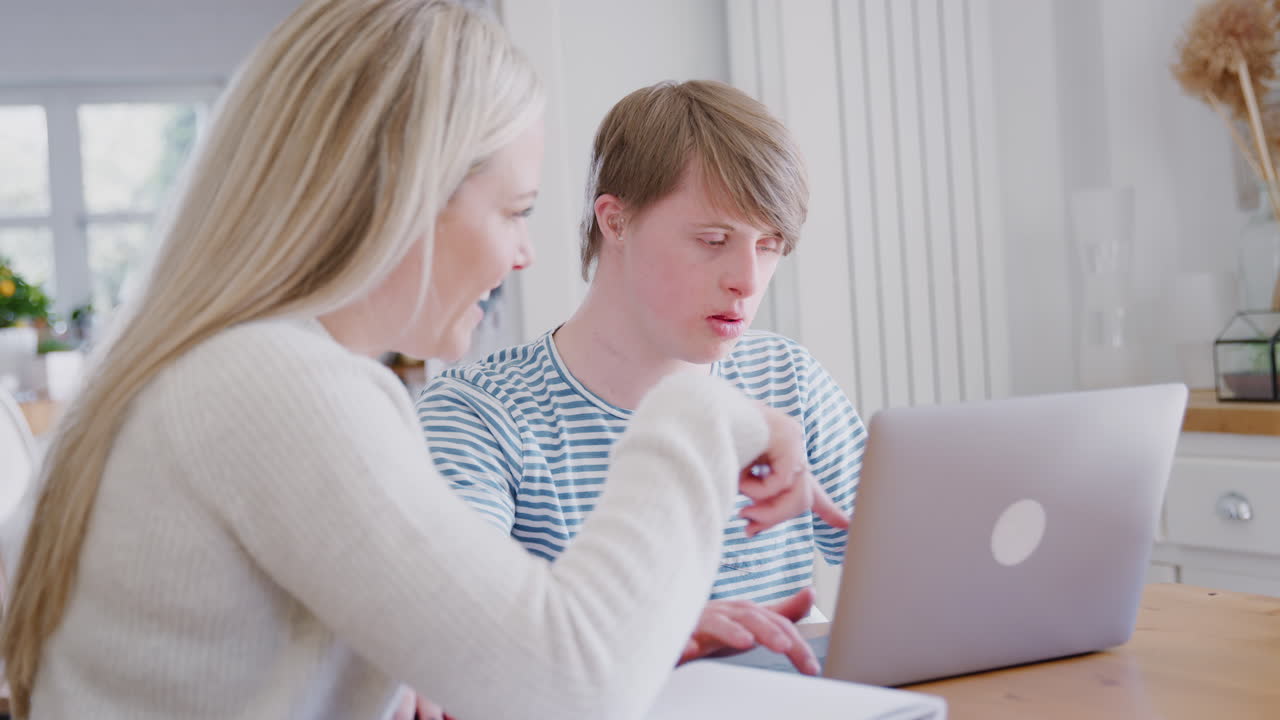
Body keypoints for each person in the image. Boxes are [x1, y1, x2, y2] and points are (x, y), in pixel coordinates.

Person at [0, 3, 842, 719]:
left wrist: (642, 630)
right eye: (515, 211)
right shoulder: (270, 385)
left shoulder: (222, 367)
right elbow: (569, 682)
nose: (525, 255)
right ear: (401, 194)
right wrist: (705, 409)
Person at [418, 80, 867, 674]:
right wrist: (657, 634)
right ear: (616, 221)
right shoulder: (478, 414)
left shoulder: (788, 379)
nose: (747, 280)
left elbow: (902, 571)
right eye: (713, 240)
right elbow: (458, 628)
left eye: (768, 246)